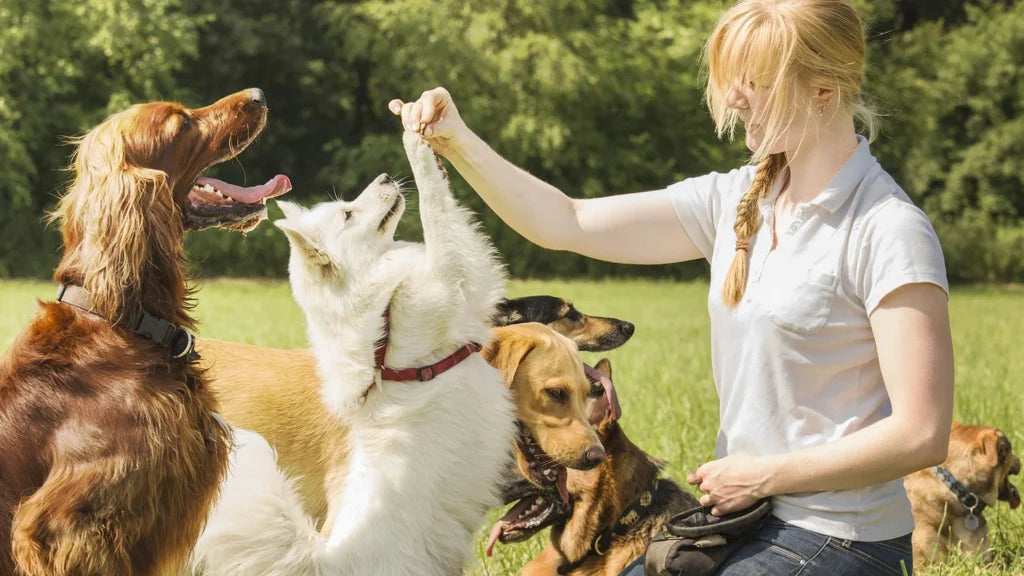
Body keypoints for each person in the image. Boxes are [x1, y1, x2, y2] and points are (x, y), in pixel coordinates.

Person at [389, 0, 953, 574]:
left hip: (841, 539)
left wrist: (766, 475)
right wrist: (457, 139)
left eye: (754, 82)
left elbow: (923, 433)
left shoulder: (887, 229)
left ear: (824, 92)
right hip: (741, 520)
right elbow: (567, 221)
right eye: (732, 81)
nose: (734, 99)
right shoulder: (735, 201)